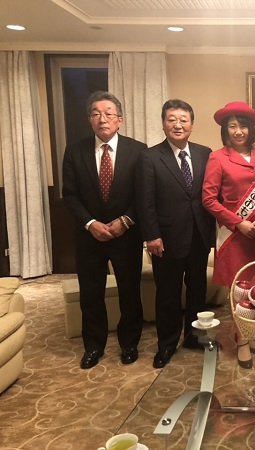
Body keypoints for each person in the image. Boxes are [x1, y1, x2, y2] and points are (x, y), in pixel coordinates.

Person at [62, 91, 146, 369]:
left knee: (129, 292)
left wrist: (126, 220)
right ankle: (93, 346)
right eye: (96, 114)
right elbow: (70, 195)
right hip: (89, 236)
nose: (103, 119)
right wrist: (90, 224)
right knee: (91, 293)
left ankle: (129, 343)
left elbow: (143, 194)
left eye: (109, 113)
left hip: (126, 235)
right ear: (89, 120)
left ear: (120, 119)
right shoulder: (74, 151)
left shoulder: (138, 150)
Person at [136, 99, 215, 369]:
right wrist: (152, 235)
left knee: (197, 290)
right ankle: (167, 344)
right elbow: (145, 201)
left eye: (183, 120)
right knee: (168, 295)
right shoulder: (149, 157)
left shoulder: (205, 153)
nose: (178, 125)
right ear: (163, 123)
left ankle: (195, 337)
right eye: (172, 119)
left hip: (199, 236)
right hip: (166, 239)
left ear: (192, 124)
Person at [202, 101, 255, 369]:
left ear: (251, 129)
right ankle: (242, 341)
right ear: (225, 130)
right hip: (234, 235)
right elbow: (209, 199)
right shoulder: (217, 158)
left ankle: (250, 334)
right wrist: (238, 222)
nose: (239, 131)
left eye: (243, 126)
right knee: (239, 290)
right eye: (232, 126)